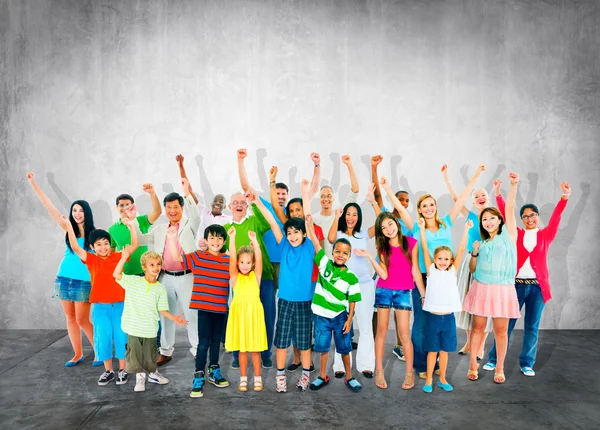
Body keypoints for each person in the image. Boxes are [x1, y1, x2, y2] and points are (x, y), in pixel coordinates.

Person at [381, 165, 486, 379]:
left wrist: (476, 175)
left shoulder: (446, 223)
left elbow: (461, 199)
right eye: (424, 206)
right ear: (419, 210)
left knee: (440, 322)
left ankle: (437, 362)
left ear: (435, 207)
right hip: (423, 280)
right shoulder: (415, 226)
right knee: (421, 323)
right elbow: (400, 211)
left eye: (431, 205)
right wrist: (387, 189)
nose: (429, 208)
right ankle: (421, 364)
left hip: (444, 282)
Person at [484, 181, 571, 377]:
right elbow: (506, 215)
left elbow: (557, 217)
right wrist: (498, 194)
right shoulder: (516, 234)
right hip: (516, 286)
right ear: (521, 219)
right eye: (525, 216)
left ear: (538, 217)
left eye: (533, 215)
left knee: (532, 326)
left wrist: (564, 197)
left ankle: (527, 363)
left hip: (538, 288)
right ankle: (493, 359)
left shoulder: (546, 235)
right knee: (506, 325)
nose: (529, 218)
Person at [26, 172, 99, 367]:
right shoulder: (68, 227)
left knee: (83, 320)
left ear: (87, 213)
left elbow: (101, 256)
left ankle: (100, 352)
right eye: (74, 210)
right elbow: (49, 205)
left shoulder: (94, 233)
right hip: (64, 278)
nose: (77, 213)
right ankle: (78, 354)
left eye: (80, 210)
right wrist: (34, 183)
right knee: (70, 318)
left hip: (84, 281)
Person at [62, 215, 138, 386]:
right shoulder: (91, 260)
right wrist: (68, 226)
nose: (103, 247)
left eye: (105, 243)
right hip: (100, 308)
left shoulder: (118, 256)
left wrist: (132, 226)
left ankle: (123, 370)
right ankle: (108, 371)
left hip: (120, 305)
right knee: (102, 337)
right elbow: (74, 246)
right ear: (91, 247)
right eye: (98, 244)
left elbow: (134, 246)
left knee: (121, 337)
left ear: (110, 244)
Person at [355, 212, 425, 390]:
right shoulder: (382, 247)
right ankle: (379, 370)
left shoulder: (411, 243)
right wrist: (371, 257)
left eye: (390, 224)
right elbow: (384, 274)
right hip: (384, 290)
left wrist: (423, 295)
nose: (388, 229)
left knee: (404, 334)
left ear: (396, 223)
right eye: (383, 228)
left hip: (403, 292)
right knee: (382, 331)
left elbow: (416, 270)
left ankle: (409, 373)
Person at [463, 172, 521, 384]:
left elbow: (510, 208)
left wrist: (513, 186)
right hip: (481, 287)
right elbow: (472, 269)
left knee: (501, 330)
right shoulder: (483, 243)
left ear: (499, 220)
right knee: (477, 327)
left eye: (492, 218)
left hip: (502, 289)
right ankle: (472, 364)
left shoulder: (508, 235)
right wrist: (475, 253)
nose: (488, 221)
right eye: (484, 219)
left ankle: (500, 367)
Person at [136, 178, 200, 365]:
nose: (172, 211)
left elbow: (195, 215)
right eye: (169, 208)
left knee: (191, 314)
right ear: (165, 209)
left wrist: (187, 193)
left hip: (186, 276)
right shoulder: (159, 229)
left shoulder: (190, 224)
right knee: (166, 314)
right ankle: (166, 350)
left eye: (176, 207)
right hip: (164, 277)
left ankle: (197, 350)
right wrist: (132, 222)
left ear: (182, 208)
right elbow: (141, 239)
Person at [262, 180, 317, 393]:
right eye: (290, 232)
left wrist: (305, 193)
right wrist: (256, 199)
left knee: (304, 343)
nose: (293, 236)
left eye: (297, 232)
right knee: (282, 342)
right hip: (285, 302)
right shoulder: (284, 245)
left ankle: (305, 376)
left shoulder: (310, 247)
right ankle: (280, 376)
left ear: (303, 234)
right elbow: (274, 222)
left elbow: (308, 219)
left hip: (304, 303)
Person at [167, 224, 231, 398]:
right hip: (204, 308)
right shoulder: (198, 257)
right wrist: (172, 238)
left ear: (224, 241)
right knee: (203, 343)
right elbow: (176, 257)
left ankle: (214, 371)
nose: (215, 241)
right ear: (206, 240)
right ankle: (198, 375)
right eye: (212, 237)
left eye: (219, 238)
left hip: (220, 309)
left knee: (216, 342)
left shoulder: (227, 260)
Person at [113, 251, 188, 392]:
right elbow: (116, 274)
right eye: (151, 265)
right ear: (144, 267)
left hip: (150, 329)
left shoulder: (160, 288)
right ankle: (140, 378)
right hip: (134, 327)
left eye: (158, 264)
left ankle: (153, 374)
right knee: (135, 354)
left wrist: (174, 318)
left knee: (150, 354)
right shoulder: (134, 281)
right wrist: (123, 259)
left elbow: (162, 309)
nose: (156, 267)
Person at [305, 215, 363, 393]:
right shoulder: (324, 264)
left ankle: (349, 377)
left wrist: (349, 319)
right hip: (322, 317)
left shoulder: (351, 277)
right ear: (332, 252)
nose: (340, 255)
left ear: (349, 256)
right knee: (323, 348)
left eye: (345, 253)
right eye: (337, 251)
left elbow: (353, 300)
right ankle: (322, 376)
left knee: (344, 349)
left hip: (340, 317)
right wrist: (308, 225)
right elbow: (315, 243)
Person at [441, 164, 493, 359]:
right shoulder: (470, 215)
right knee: (468, 302)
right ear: (473, 200)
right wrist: (447, 177)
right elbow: (456, 199)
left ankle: (480, 346)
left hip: (487, 264)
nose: (480, 197)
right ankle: (470, 343)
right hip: (470, 262)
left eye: (483, 195)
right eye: (476, 196)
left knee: (484, 304)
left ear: (488, 199)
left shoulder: (493, 218)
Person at [418, 218, 472, 393]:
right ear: (434, 259)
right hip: (433, 318)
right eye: (439, 258)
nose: (442, 261)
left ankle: (442, 378)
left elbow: (462, 248)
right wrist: (421, 228)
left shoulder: (453, 271)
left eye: (446, 259)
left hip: (448, 318)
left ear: (451, 260)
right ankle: (428, 380)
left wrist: (466, 229)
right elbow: (424, 248)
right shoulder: (431, 270)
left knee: (445, 351)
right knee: (432, 351)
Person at [327, 201, 375, 380]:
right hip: (342, 287)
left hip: (364, 285)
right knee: (342, 326)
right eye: (348, 214)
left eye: (355, 214)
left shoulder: (363, 234)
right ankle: (339, 365)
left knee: (365, 326)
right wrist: (336, 216)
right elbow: (331, 238)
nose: (351, 217)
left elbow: (380, 222)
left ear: (359, 217)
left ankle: (366, 365)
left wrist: (373, 201)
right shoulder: (338, 234)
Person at [370, 155, 411, 361]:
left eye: (406, 200)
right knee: (381, 311)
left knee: (401, 312)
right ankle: (373, 343)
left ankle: (399, 345)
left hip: (402, 280)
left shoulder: (407, 226)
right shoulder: (386, 217)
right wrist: (374, 168)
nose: (403, 202)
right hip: (384, 275)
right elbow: (377, 195)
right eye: (400, 199)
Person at [224, 228, 268, 393]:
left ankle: (258, 378)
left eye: (248, 262)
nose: (244, 265)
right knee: (242, 350)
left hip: (254, 316)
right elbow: (232, 257)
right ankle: (243, 379)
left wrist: (255, 242)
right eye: (241, 262)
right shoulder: (235, 278)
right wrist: (233, 238)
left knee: (255, 351)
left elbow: (260, 257)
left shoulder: (256, 277)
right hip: (240, 316)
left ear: (253, 264)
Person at [108, 183, 162, 277]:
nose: (125, 208)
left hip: (144, 272)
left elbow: (157, 212)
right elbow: (111, 254)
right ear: (117, 208)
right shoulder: (112, 229)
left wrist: (152, 193)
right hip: (125, 275)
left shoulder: (141, 221)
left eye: (127, 204)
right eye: (121, 205)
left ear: (133, 206)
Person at [312, 154, 360, 258]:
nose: (326, 199)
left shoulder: (340, 211)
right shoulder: (314, 219)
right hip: (321, 265)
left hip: (339, 262)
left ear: (333, 198)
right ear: (319, 199)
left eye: (329, 196)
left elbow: (355, 189)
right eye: (323, 196)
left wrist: (349, 165)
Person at [175, 154, 232, 239]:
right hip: (203, 251)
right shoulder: (203, 212)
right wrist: (181, 166)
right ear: (211, 203)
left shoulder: (229, 219)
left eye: (221, 202)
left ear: (224, 206)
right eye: (215, 200)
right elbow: (188, 189)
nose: (217, 203)